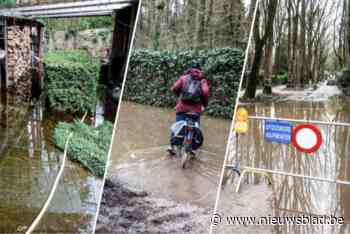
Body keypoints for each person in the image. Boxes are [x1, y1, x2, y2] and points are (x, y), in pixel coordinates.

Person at [167, 65, 209, 155]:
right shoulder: (203, 81)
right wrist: (204, 104)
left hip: (182, 108)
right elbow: (205, 92)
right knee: (195, 127)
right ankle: (193, 148)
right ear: (200, 71)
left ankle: (171, 145)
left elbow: (174, 88)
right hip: (195, 110)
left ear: (190, 70)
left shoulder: (184, 78)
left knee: (177, 126)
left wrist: (179, 96)